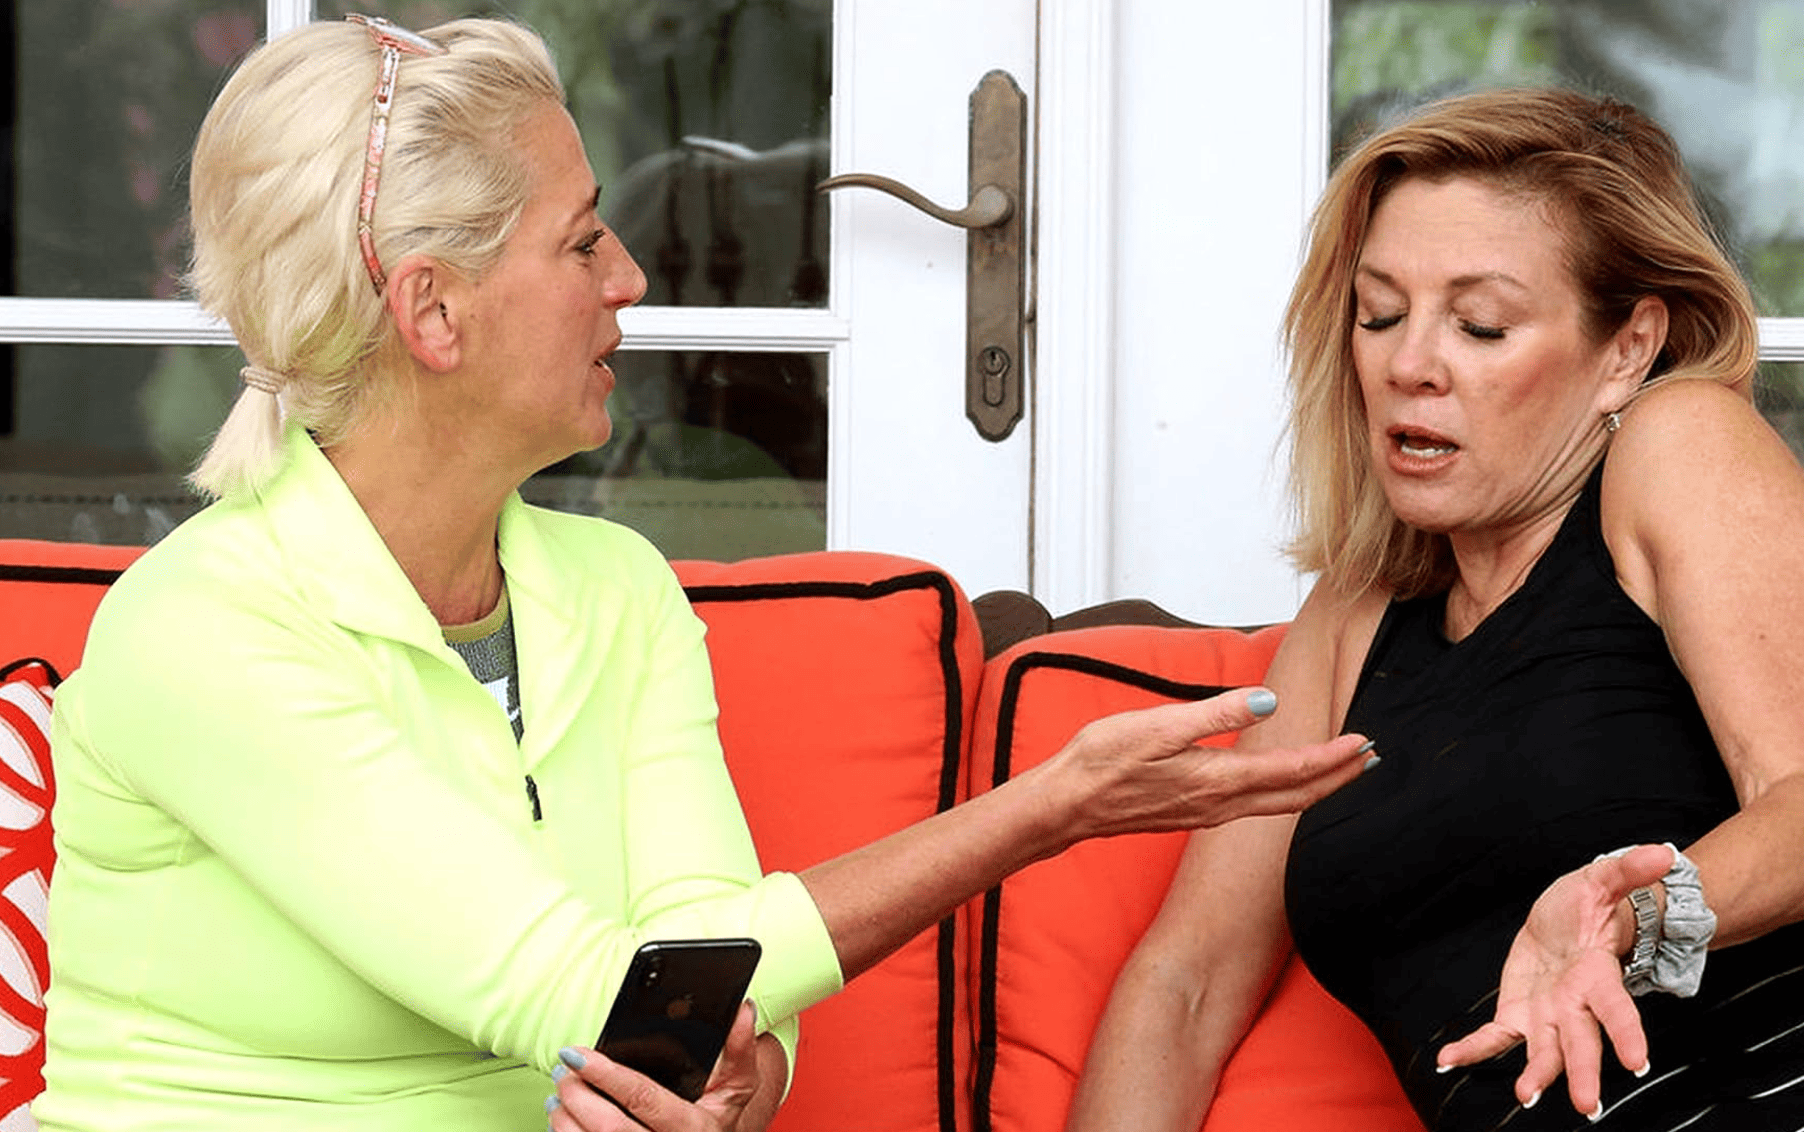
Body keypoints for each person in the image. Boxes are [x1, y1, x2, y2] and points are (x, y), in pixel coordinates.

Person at [33, 17, 1372, 1132]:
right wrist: (1051, 805)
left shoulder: (617, 591)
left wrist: (729, 1085)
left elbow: (705, 979)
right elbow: (596, 988)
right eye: (580, 243)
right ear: (431, 310)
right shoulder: (202, 631)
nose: (629, 275)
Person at [1066, 88, 1804, 1131]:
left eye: (1480, 324)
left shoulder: (1676, 448)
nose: (1409, 366)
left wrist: (1614, 916)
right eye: (1380, 313)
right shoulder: (1350, 621)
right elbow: (1184, 986)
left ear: (1625, 349)